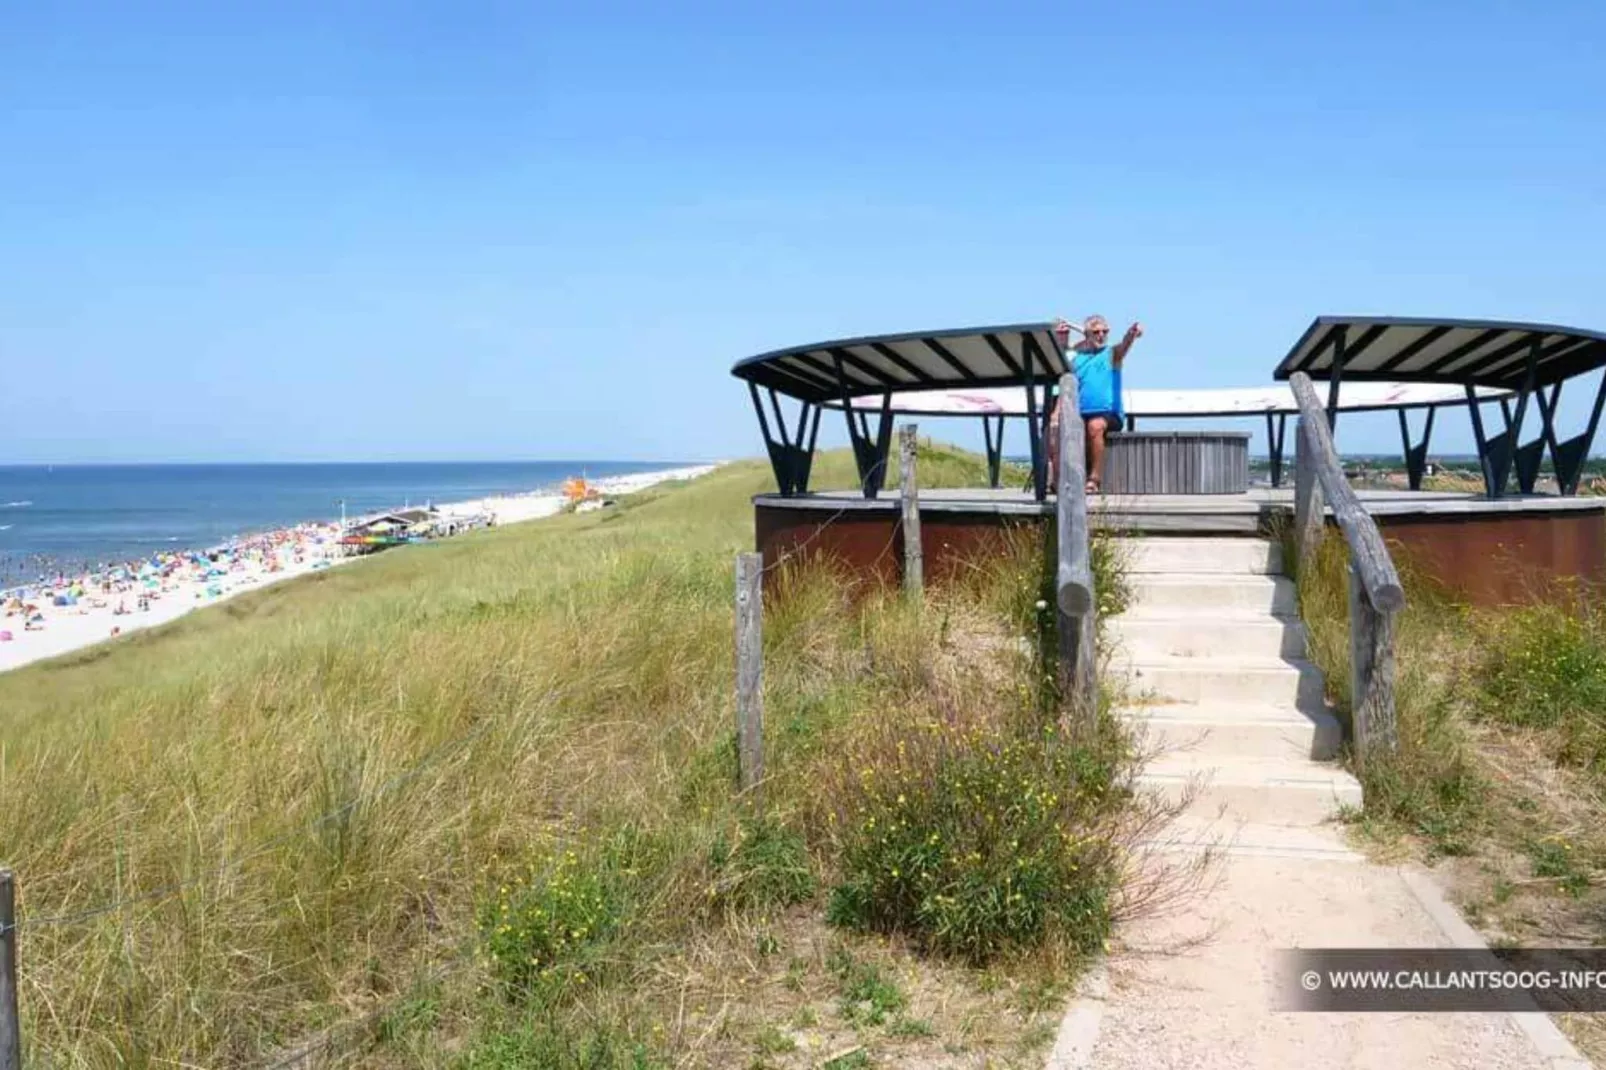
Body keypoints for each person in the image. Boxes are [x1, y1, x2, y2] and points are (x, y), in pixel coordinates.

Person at [1048, 314, 1143, 494]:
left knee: (1095, 425)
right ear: (1087, 334)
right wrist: (1056, 412)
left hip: (1108, 413)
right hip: (1081, 412)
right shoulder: (1076, 358)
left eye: (1104, 332)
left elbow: (1125, 345)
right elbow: (1066, 385)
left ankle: (1094, 479)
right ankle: (1060, 480)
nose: (1101, 335)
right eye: (1096, 332)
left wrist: (1131, 334)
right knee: (1058, 429)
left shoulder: (1111, 354)